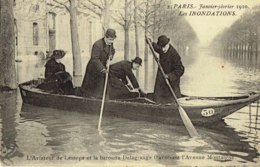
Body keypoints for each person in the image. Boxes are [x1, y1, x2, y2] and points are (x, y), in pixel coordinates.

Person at [80, 28, 116, 98]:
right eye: (110, 39)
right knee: (90, 86)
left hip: (103, 65)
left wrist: (110, 57)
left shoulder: (110, 43)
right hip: (94, 67)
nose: (111, 41)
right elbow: (94, 58)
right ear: (106, 37)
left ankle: (100, 98)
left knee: (101, 85)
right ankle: (86, 99)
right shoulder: (97, 44)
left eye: (112, 40)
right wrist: (102, 69)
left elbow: (112, 51)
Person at [150, 35, 185, 104]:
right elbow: (157, 48)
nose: (163, 50)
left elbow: (180, 70)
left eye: (164, 47)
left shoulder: (174, 54)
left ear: (168, 44)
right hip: (162, 79)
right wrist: (151, 42)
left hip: (172, 82)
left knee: (171, 101)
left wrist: (169, 76)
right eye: (161, 47)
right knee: (158, 97)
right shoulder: (162, 48)